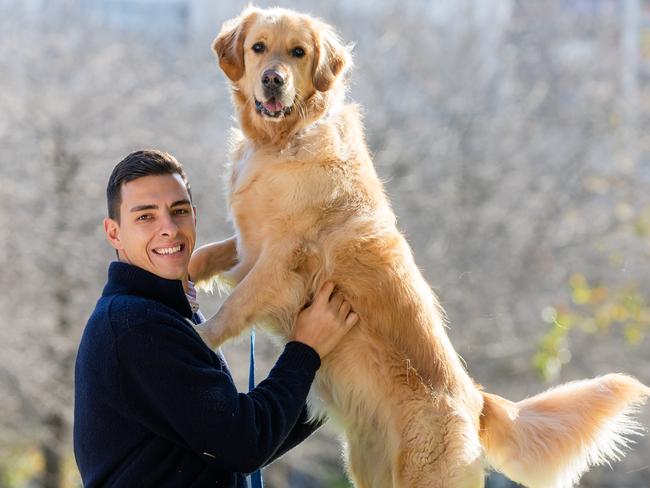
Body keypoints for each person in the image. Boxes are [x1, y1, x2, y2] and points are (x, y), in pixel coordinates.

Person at [73, 149, 358, 487]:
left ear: (194, 216)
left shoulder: (163, 313)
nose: (169, 228)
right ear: (114, 233)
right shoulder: (134, 324)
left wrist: (334, 378)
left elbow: (235, 443)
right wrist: (304, 350)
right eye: (145, 217)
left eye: (178, 211)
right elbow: (244, 443)